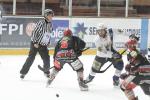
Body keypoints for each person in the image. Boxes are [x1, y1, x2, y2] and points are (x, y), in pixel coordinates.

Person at [20, 9, 54, 79]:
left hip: (43, 45)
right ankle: (23, 73)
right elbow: (34, 32)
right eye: (50, 15)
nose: (51, 17)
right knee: (31, 58)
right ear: (46, 16)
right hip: (35, 44)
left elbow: (48, 34)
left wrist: (48, 42)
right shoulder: (41, 23)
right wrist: (35, 42)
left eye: (52, 15)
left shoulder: (50, 24)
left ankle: (46, 72)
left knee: (46, 58)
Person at [120, 36, 150, 100]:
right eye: (127, 46)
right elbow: (136, 66)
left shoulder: (136, 54)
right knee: (147, 92)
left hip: (141, 75)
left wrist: (132, 70)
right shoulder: (133, 54)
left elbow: (146, 67)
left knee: (124, 86)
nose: (127, 48)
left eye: (128, 46)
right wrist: (129, 68)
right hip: (144, 76)